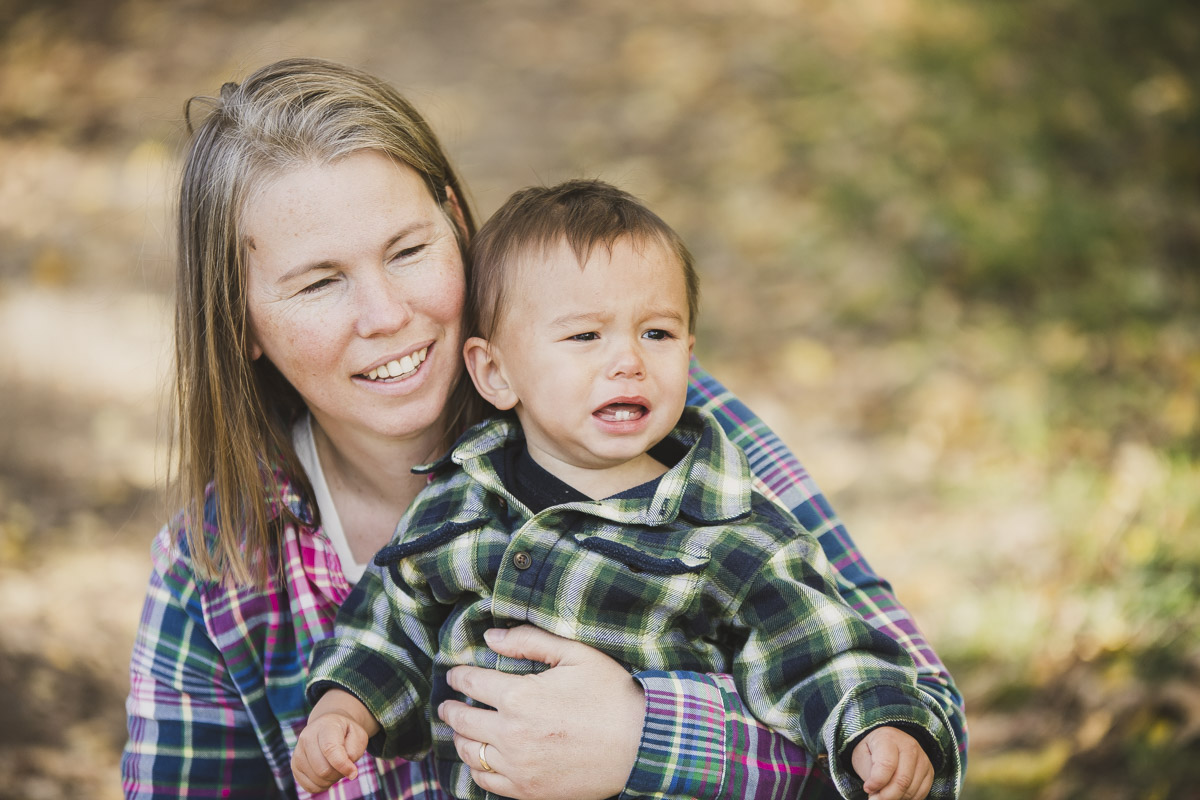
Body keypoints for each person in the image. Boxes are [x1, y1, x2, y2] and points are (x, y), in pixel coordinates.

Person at [122, 57, 966, 800]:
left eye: (408, 250)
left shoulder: (658, 437)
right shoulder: (219, 568)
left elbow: (925, 739)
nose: (386, 314)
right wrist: (346, 706)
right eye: (318, 283)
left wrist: (648, 742)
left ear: (457, 223)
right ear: (240, 324)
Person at [293, 179, 960, 800]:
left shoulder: (733, 532)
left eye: (657, 333)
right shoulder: (460, 503)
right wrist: (346, 706)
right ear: (494, 373)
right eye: (585, 335)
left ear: (689, 352)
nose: (628, 360)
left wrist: (877, 726)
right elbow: (392, 620)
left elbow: (820, 651)